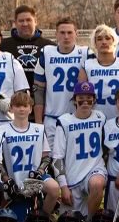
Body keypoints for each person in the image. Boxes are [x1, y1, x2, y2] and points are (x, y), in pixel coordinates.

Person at [1, 92, 60, 221]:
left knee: (54, 188)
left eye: (25, 105)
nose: (21, 109)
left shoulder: (38, 129)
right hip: (13, 178)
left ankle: (44, 217)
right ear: (11, 108)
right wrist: (6, 179)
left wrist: (39, 172)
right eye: (17, 105)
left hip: (35, 177)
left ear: (31, 108)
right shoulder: (2, 130)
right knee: (16, 221)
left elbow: (46, 157)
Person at [32, 17, 88, 148]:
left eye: (70, 32)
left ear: (76, 33)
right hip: (52, 118)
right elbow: (38, 90)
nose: (66, 36)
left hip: (77, 117)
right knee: (52, 163)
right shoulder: (46, 53)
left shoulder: (86, 53)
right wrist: (39, 122)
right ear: (56, 34)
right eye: (62, 33)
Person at [53, 81, 107, 217]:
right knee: (68, 221)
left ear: (94, 100)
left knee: (97, 183)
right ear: (74, 100)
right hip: (73, 175)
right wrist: (63, 187)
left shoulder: (101, 117)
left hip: (94, 169)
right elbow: (57, 158)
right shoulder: (64, 122)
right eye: (81, 99)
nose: (85, 102)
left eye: (89, 99)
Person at [80, 24, 119, 121]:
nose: (104, 42)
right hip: (95, 119)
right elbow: (81, 97)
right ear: (94, 43)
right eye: (99, 39)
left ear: (114, 41)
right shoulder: (86, 66)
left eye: (107, 38)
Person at [0, 5, 55, 91]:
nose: (25, 24)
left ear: (35, 21)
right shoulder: (3, 45)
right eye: (21, 21)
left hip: (41, 99)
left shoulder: (49, 46)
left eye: (28, 20)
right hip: (13, 100)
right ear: (15, 23)